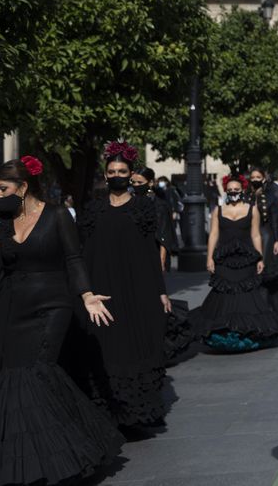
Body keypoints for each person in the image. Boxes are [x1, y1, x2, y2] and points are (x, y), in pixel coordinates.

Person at [0, 157, 123, 486]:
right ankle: (31, 458)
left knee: (36, 375)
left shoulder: (56, 216)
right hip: (15, 310)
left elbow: (73, 258)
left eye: (3, 189)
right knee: (13, 381)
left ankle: (66, 454)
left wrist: (85, 294)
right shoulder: (2, 222)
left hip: (53, 307)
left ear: (22, 188)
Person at [72, 140, 172, 429]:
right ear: (105, 175)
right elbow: (82, 252)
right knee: (106, 347)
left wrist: (161, 291)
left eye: (122, 170)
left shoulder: (143, 208)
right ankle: (108, 412)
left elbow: (150, 253)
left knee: (136, 345)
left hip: (137, 289)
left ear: (130, 174)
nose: (117, 175)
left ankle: (137, 412)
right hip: (102, 289)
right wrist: (84, 291)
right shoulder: (92, 210)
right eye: (112, 171)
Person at [189, 174, 278, 352]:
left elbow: (256, 235)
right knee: (224, 295)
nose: (233, 193)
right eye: (230, 190)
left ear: (242, 190)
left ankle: (247, 333)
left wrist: (259, 257)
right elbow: (213, 235)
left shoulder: (252, 209)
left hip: (246, 259)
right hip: (224, 260)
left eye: (236, 190)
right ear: (225, 191)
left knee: (247, 295)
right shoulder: (218, 211)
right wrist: (209, 258)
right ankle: (224, 332)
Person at [131, 167, 191, 362]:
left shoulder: (159, 205)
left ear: (150, 183)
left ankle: (159, 343)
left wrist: (161, 261)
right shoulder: (129, 202)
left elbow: (163, 236)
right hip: (132, 257)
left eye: (139, 183)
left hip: (151, 256)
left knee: (154, 299)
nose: (135, 186)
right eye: (133, 182)